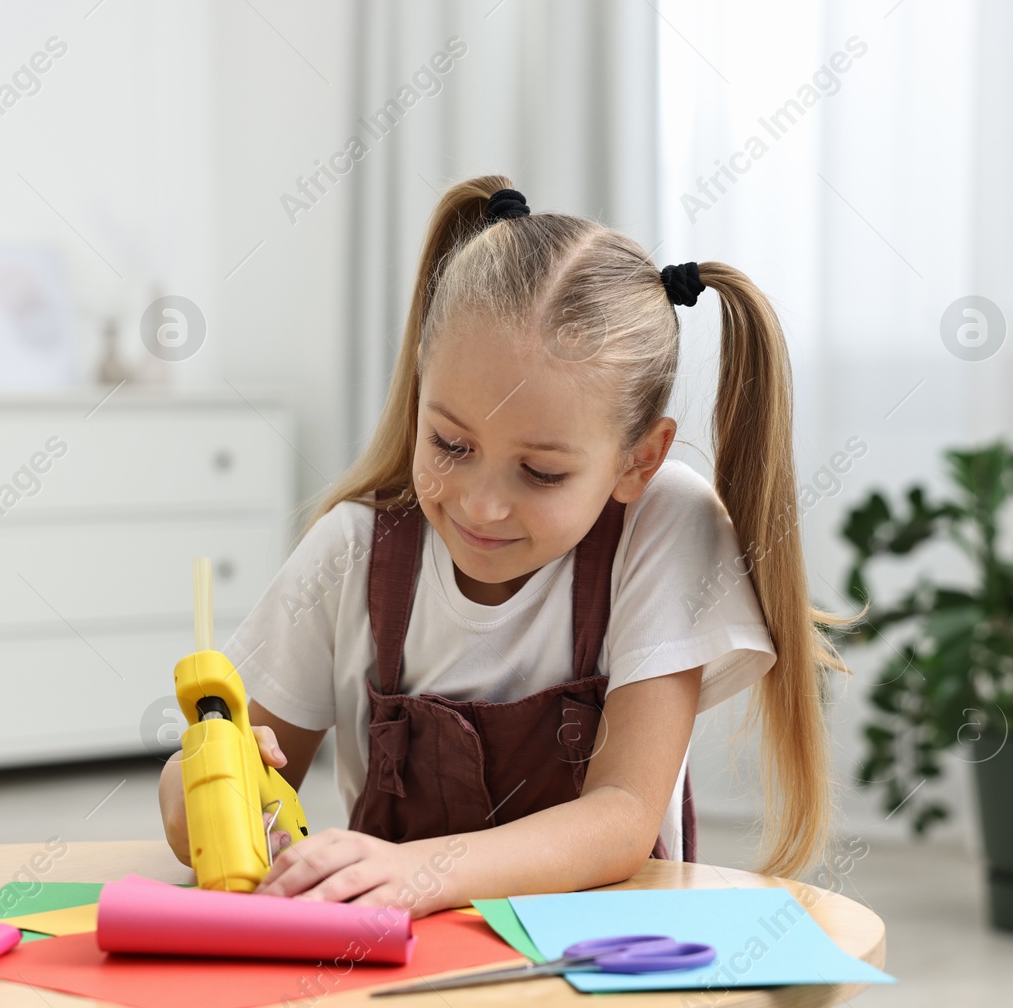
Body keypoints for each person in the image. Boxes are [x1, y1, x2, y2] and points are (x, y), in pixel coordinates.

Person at [159, 175, 844, 916]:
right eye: (451, 442)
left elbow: (622, 814)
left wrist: (423, 873)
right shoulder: (354, 550)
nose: (482, 504)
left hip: (602, 981)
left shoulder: (663, 524)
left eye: (542, 471)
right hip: (390, 984)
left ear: (637, 460)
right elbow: (204, 783)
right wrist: (203, 789)